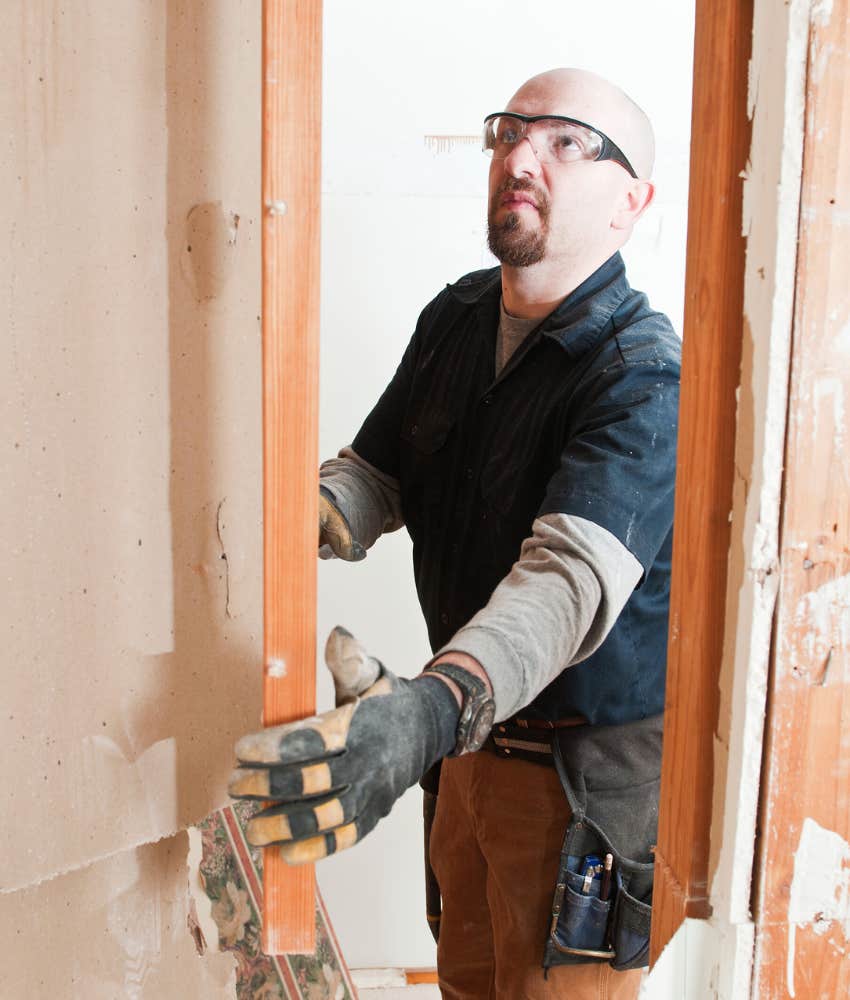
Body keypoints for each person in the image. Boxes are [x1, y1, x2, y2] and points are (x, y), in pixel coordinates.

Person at [229, 67, 680, 999]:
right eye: (509, 133)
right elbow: (378, 473)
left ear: (632, 201)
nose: (520, 156)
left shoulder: (644, 376)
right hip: (467, 751)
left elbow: (563, 586)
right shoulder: (460, 316)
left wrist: (425, 713)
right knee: (465, 987)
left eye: (567, 141)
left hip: (578, 788)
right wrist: (304, 515)